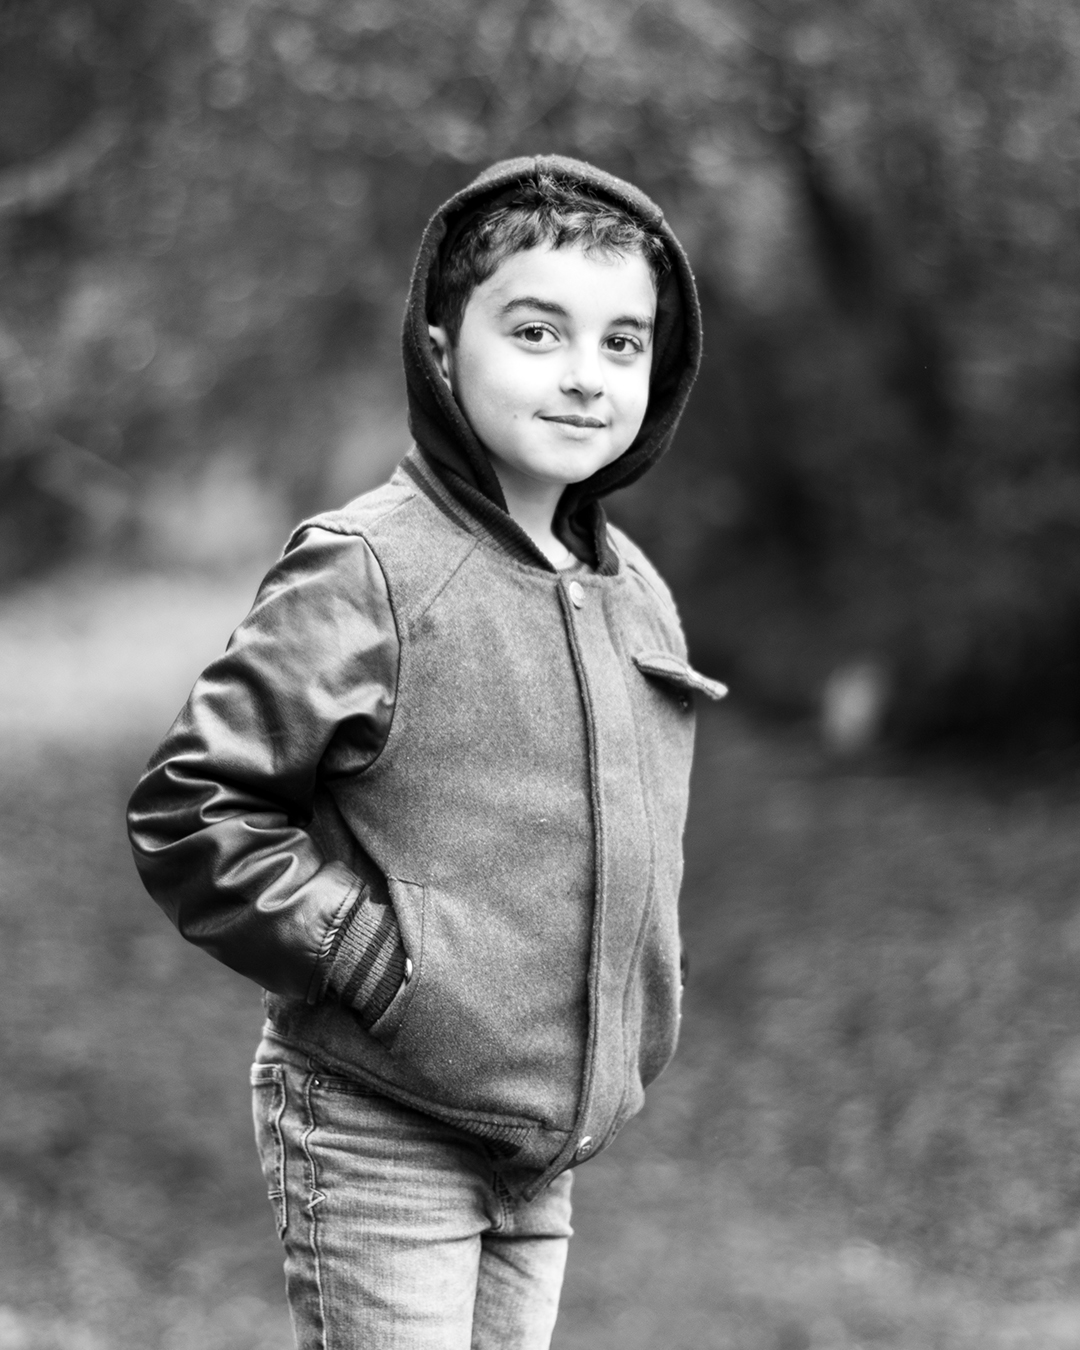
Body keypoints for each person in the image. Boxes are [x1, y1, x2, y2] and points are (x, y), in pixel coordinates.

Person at [127, 154, 727, 1350]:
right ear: (444, 348)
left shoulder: (634, 593)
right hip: (377, 1121)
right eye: (539, 331)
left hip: (541, 1143)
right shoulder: (372, 565)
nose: (584, 376)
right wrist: (370, 958)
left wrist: (637, 999)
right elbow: (196, 807)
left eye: (622, 343)